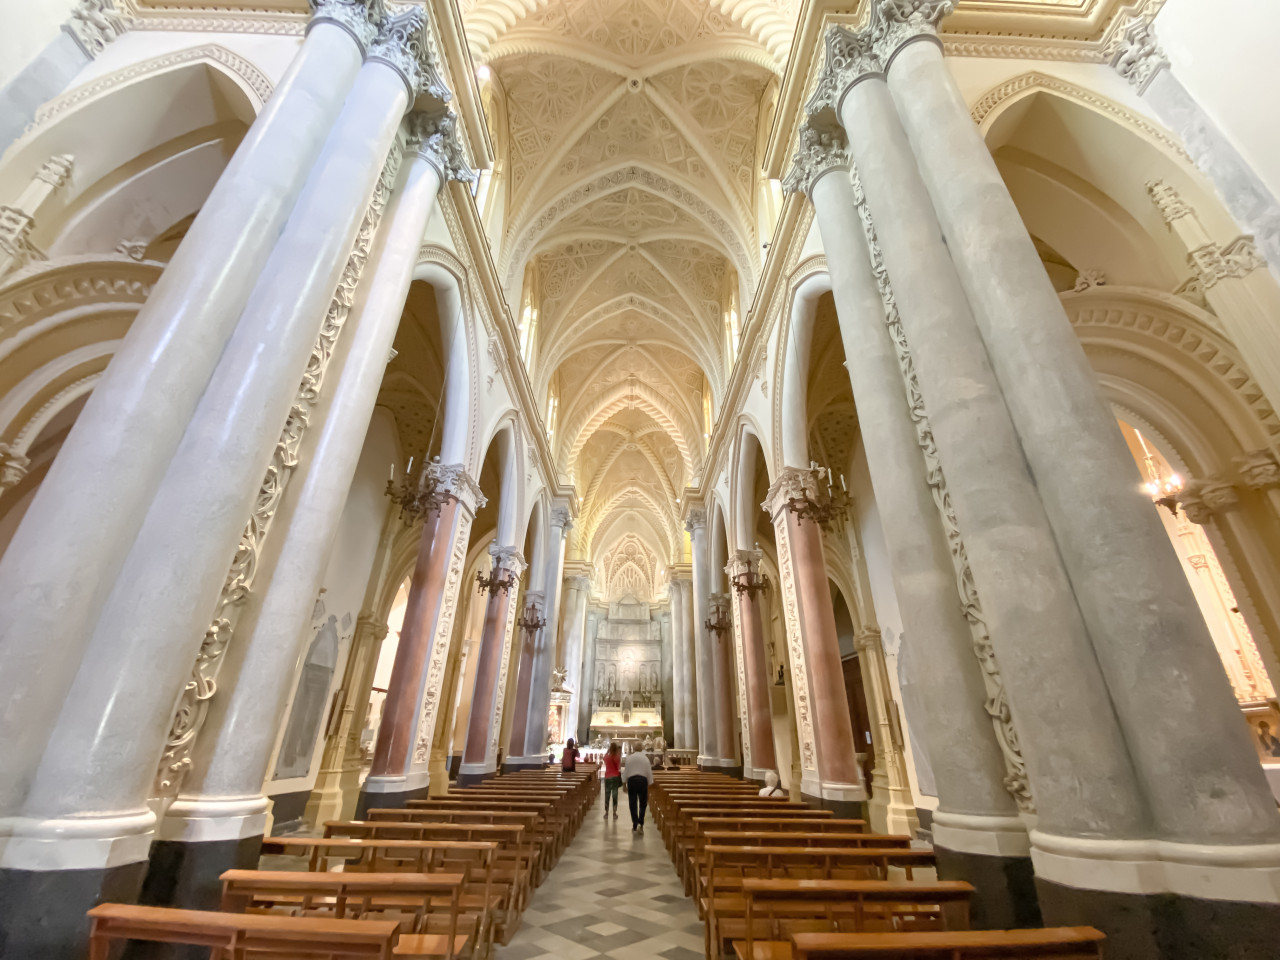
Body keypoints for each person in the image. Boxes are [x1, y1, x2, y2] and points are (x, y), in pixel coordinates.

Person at [622, 746, 653, 833]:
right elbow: (648, 772)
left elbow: (626, 771)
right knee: (643, 803)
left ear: (634, 749)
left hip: (632, 781)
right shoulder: (645, 759)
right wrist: (650, 783)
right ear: (642, 748)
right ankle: (641, 823)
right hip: (642, 781)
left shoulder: (629, 758)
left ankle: (635, 824)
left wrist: (624, 783)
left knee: (632, 803)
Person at [601, 742, 622, 819]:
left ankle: (606, 813)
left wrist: (607, 751)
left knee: (607, 794)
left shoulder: (607, 757)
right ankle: (614, 812)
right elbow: (618, 767)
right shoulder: (617, 757)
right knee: (615, 794)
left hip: (607, 777)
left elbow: (604, 758)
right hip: (615, 777)